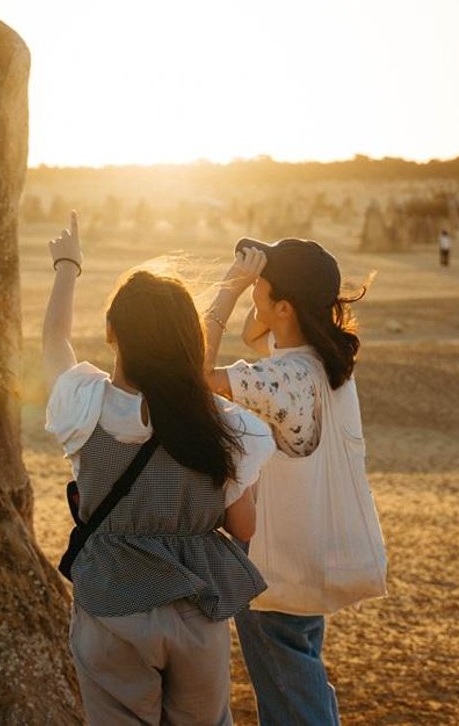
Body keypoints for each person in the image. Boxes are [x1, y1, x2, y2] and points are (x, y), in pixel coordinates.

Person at [43, 212, 275, 725]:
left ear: (111, 334)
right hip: (197, 612)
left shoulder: (84, 408)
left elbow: (55, 343)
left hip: (112, 608)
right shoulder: (224, 428)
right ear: (187, 342)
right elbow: (244, 528)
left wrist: (67, 266)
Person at [200, 238, 375, 726]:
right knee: (301, 676)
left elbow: (195, 373)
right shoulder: (321, 363)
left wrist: (227, 293)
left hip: (275, 568)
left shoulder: (285, 378)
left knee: (292, 699)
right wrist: (271, 270)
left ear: (283, 306)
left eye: (264, 286)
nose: (255, 286)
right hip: (308, 556)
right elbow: (260, 336)